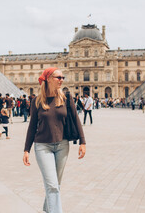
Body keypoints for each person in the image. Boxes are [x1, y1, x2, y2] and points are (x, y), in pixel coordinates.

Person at [23, 67, 86, 213]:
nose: (62, 80)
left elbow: (76, 119)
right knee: (52, 185)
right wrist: (26, 149)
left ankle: (47, 209)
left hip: (62, 145)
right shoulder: (37, 101)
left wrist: (83, 142)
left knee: (56, 184)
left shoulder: (66, 98)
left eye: (63, 77)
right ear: (48, 79)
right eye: (58, 77)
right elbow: (32, 127)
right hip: (42, 146)